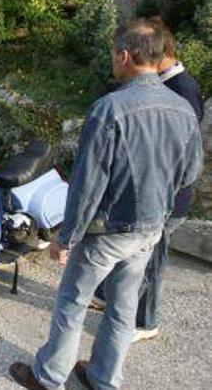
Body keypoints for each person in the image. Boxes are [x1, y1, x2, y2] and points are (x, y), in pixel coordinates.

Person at [8, 19, 203, 390]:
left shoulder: (109, 109)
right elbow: (190, 172)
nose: (113, 60)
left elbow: (87, 184)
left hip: (107, 231)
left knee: (72, 302)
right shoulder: (182, 108)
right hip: (151, 229)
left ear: (125, 56)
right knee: (123, 308)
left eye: (114, 54)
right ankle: (103, 379)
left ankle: (48, 377)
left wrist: (66, 237)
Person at [90, 18, 206, 344]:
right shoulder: (167, 85)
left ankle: (144, 321)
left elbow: (183, 153)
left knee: (151, 261)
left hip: (167, 198)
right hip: (151, 192)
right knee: (130, 253)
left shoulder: (183, 89)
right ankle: (105, 295)